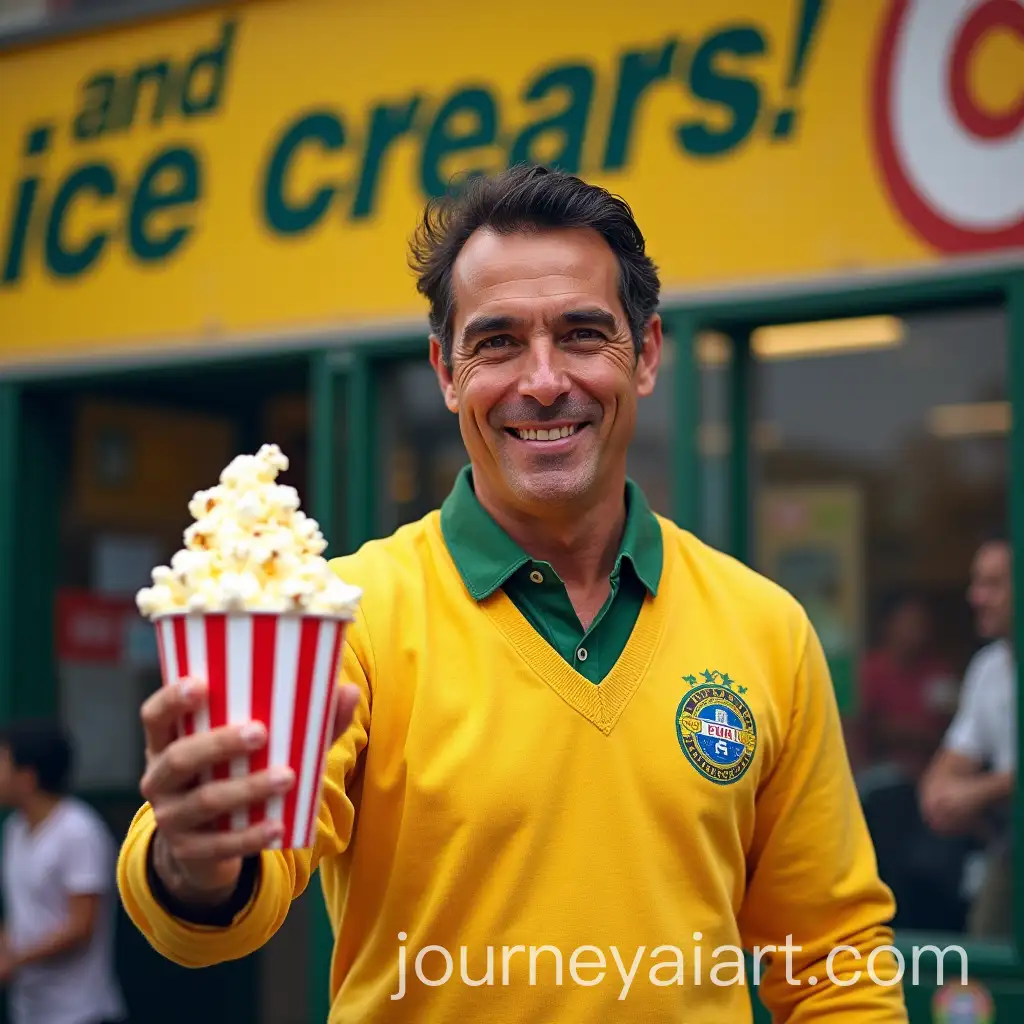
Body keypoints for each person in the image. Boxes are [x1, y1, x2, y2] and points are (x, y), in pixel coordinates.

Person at [117, 165, 907, 1021]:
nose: (542, 381)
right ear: (447, 372)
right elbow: (232, 906)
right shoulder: (343, 613)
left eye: (581, 334)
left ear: (643, 355)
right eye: (496, 342)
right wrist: (194, 861)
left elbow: (832, 956)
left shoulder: (766, 627)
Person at [0, 719, 126, 1024]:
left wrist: (15, 960)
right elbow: (19, 912)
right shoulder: (13, 829)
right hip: (28, 1010)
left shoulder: (79, 831)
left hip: (81, 1012)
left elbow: (82, 925)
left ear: (27, 776)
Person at [920, 533, 1015, 937]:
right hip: (1008, 851)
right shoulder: (990, 667)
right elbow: (952, 762)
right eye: (976, 583)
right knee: (984, 953)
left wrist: (977, 794)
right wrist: (939, 794)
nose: (976, 597)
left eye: (993, 584)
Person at [855, 591, 957, 780]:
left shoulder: (939, 672)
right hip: (877, 777)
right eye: (909, 623)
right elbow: (860, 727)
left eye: (922, 624)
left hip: (932, 774)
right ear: (889, 625)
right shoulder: (869, 671)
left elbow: (951, 731)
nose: (917, 631)